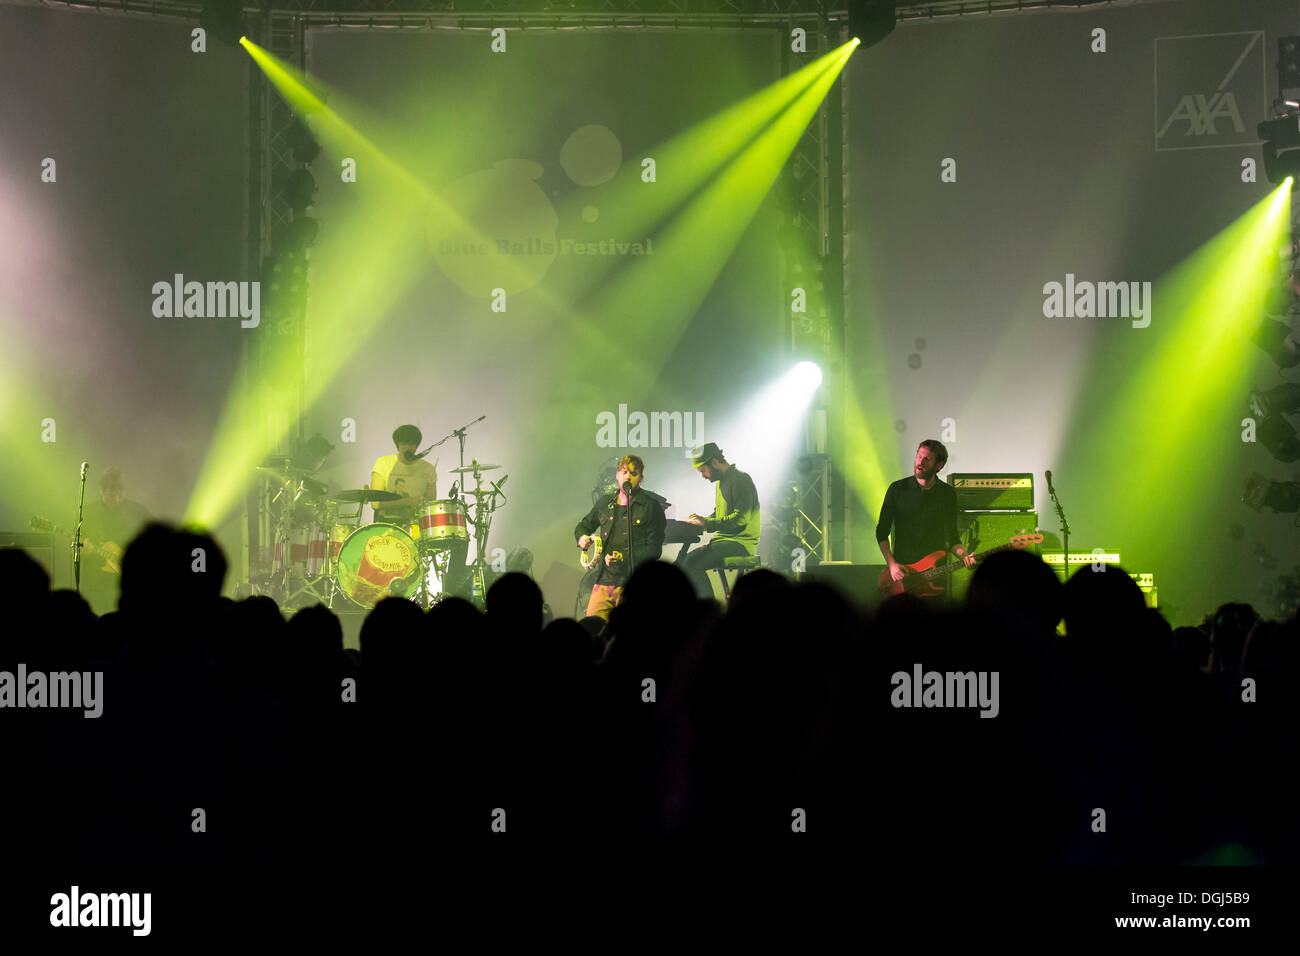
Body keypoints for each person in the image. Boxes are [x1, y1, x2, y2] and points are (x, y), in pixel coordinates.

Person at [574, 454, 667, 620]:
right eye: (624, 472)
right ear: (617, 475)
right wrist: (582, 538)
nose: (628, 476)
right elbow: (583, 526)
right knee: (593, 628)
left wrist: (623, 557)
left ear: (641, 478)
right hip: (604, 581)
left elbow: (654, 550)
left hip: (635, 583)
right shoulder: (605, 503)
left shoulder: (651, 507)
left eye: (634, 473)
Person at [876, 439, 974, 596]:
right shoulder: (897, 489)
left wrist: (965, 556)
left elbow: (952, 537)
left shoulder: (947, 494)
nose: (920, 462)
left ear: (939, 465)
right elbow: (881, 532)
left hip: (936, 578)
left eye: (927, 459)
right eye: (918, 456)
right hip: (903, 576)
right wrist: (892, 564)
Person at [682, 442, 760, 599]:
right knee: (685, 561)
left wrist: (708, 523)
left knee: (691, 564)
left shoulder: (740, 480)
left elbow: (740, 520)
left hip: (740, 544)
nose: (703, 475)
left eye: (703, 470)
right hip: (724, 542)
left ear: (714, 462)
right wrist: (703, 521)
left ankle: (708, 611)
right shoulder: (721, 483)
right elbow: (719, 514)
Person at [79, 466, 151, 614]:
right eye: (111, 493)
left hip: (130, 585)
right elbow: (74, 546)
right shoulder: (87, 514)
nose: (116, 497)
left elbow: (156, 538)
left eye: (120, 493)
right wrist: (81, 552)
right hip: (97, 585)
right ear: (101, 490)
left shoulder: (138, 512)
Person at [370, 424, 437, 527]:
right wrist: (406, 502)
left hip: (416, 526)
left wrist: (420, 502)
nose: (408, 448)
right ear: (398, 445)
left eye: (411, 444)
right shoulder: (383, 463)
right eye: (404, 444)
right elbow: (375, 503)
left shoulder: (428, 469)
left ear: (417, 446)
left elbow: (431, 503)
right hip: (385, 524)